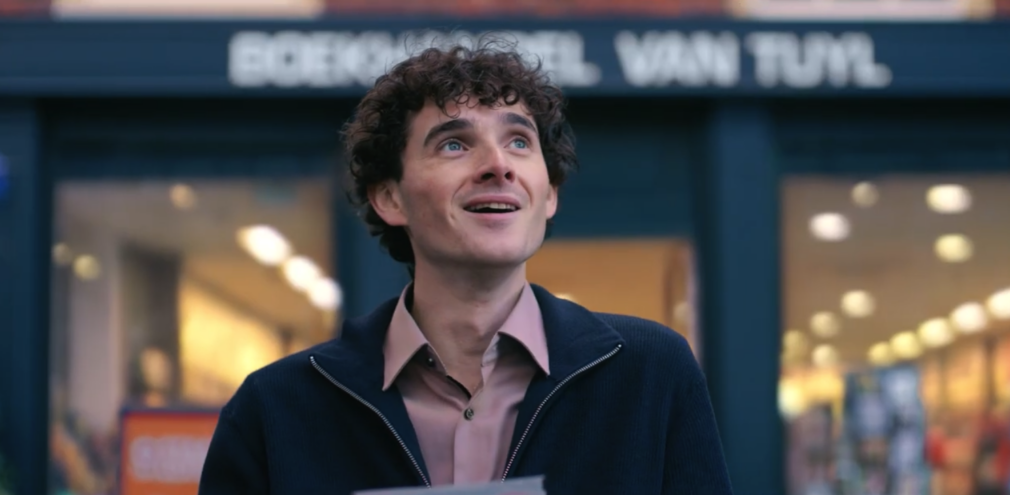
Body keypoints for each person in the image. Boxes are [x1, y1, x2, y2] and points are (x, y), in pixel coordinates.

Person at [198, 40, 733, 495]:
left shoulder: (651, 374)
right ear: (390, 198)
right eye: (455, 144)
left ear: (549, 195)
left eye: (519, 142)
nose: (498, 165)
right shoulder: (274, 410)